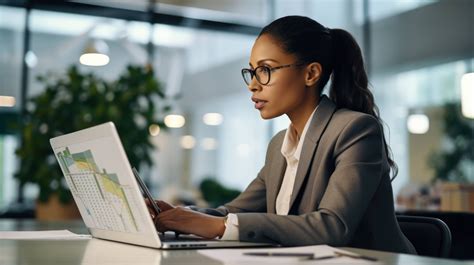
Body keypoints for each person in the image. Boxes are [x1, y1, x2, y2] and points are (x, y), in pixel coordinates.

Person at [150, 15, 416, 254]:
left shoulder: (355, 130)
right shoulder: (279, 144)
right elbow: (234, 212)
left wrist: (219, 225)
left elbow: (332, 226)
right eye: (252, 72)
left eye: (265, 70)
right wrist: (180, 214)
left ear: (311, 73)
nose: (253, 85)